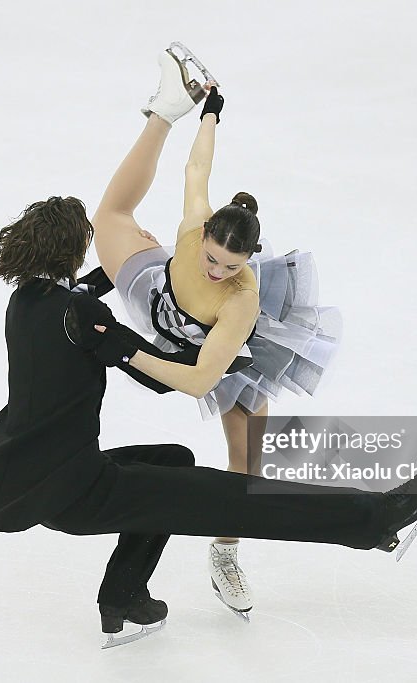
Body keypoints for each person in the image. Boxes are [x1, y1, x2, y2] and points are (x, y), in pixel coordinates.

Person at [0, 195, 417, 648]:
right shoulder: (82, 316)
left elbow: (86, 295)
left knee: (173, 461)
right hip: (79, 490)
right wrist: (218, 356)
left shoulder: (28, 300)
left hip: (49, 468)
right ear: (71, 247)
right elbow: (158, 376)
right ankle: (374, 522)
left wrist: (142, 267)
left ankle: (123, 598)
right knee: (231, 496)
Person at [91, 45, 341, 615]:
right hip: (154, 293)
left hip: (216, 353)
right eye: (211, 259)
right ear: (203, 233)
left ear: (249, 260)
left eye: (231, 266)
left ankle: (226, 550)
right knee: (109, 216)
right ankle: (165, 107)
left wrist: (126, 352)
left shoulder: (243, 301)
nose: (217, 270)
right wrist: (209, 112)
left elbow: (203, 379)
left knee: (248, 461)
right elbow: (196, 167)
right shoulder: (194, 223)